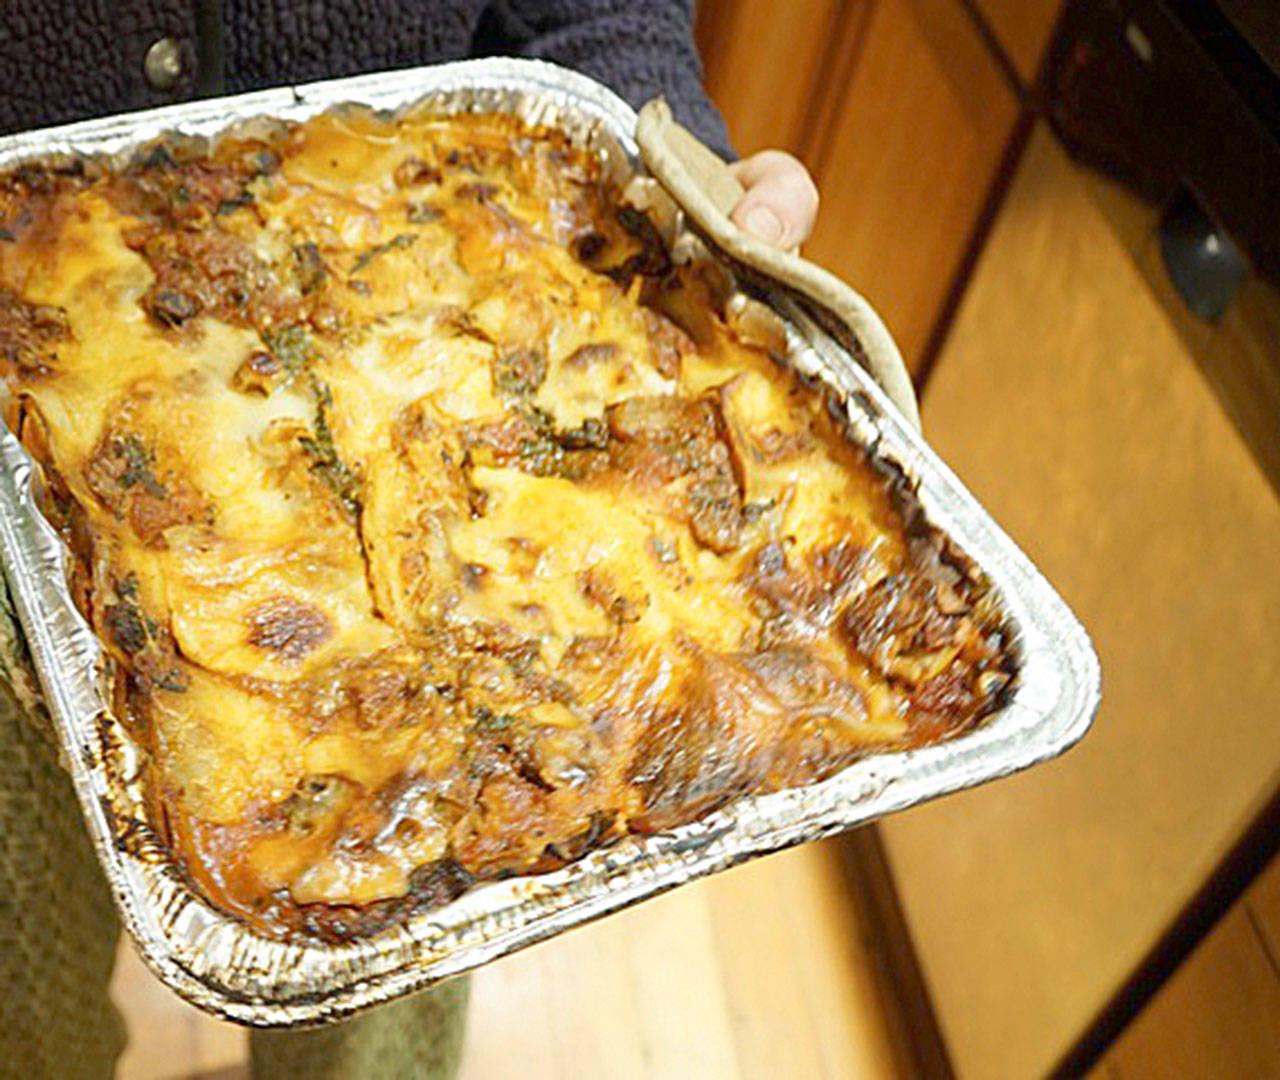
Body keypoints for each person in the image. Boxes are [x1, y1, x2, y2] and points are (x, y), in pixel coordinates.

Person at [0, 3, 818, 1078]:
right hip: (54, 293)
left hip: (441, 254)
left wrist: (671, 165)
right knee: (19, 961)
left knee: (384, 969)